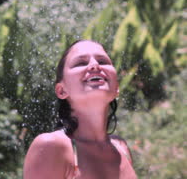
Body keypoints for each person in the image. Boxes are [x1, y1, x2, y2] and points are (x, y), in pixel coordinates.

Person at [23, 40, 137, 179]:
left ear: (116, 89)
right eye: (81, 63)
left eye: (102, 61)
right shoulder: (52, 146)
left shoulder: (121, 148)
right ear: (61, 90)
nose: (95, 65)